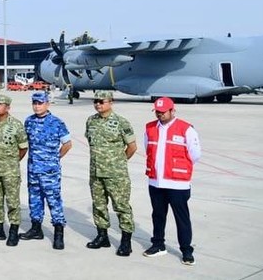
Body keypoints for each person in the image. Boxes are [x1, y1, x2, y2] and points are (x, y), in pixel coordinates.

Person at [143, 97, 201, 266]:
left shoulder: (186, 129)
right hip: (156, 182)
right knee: (158, 215)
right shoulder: (149, 128)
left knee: (181, 217)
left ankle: (186, 250)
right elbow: (148, 148)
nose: (160, 115)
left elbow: (195, 154)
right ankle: (158, 244)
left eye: (163, 112)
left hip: (177, 184)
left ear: (172, 111)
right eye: (157, 112)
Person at [85, 91, 137, 256]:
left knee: (121, 207)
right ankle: (102, 236)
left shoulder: (121, 122)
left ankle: (126, 241)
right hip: (95, 172)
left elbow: (132, 147)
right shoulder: (91, 121)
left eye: (101, 101)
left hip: (116, 174)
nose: (98, 104)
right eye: (96, 101)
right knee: (99, 205)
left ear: (111, 102)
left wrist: (118, 163)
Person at [19, 91, 72, 250]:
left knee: (54, 201)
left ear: (47, 104)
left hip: (50, 171)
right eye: (34, 103)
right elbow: (24, 144)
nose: (37, 106)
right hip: (33, 169)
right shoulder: (29, 122)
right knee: (34, 199)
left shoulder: (56, 123)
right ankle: (36, 229)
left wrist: (55, 159)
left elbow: (67, 144)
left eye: (40, 103)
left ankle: (58, 232)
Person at [0, 94, 28, 247]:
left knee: (13, 202)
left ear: (7, 107)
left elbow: (23, 148)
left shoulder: (16, 125)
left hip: (10, 171)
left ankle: (13, 232)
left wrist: (12, 162)